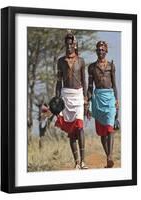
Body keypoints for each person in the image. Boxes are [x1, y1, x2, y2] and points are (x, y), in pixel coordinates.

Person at [55, 31, 88, 169]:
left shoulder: (81, 61)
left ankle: (83, 161)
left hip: (78, 96)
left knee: (80, 127)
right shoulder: (60, 61)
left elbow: (84, 81)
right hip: (66, 96)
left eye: (71, 44)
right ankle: (76, 162)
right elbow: (58, 82)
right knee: (71, 131)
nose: (68, 47)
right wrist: (57, 100)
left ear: (75, 45)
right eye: (67, 44)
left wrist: (86, 98)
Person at [87, 41, 119, 168]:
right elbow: (90, 87)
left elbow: (114, 84)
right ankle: (108, 157)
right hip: (98, 99)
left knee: (110, 128)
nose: (100, 52)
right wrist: (87, 101)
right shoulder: (92, 67)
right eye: (98, 50)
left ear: (106, 51)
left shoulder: (111, 66)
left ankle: (110, 156)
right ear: (96, 51)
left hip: (110, 97)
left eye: (102, 50)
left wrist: (117, 100)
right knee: (102, 132)